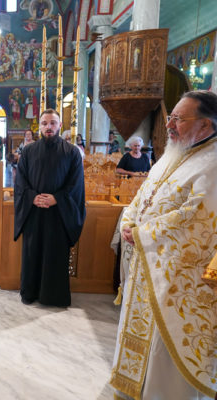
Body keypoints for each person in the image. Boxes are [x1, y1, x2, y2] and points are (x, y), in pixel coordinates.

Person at [112, 90, 217, 399]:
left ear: (205, 125)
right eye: (170, 117)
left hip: (175, 279)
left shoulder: (212, 164)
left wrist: (142, 233)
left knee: (163, 347)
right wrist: (128, 220)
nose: (169, 125)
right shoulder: (172, 154)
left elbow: (195, 216)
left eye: (178, 119)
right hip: (147, 265)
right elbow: (142, 196)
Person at [13, 109, 86, 307]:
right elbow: (20, 181)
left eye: (53, 123)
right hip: (34, 212)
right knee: (32, 253)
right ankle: (30, 293)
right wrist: (32, 197)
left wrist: (57, 199)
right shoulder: (28, 151)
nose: (49, 127)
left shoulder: (72, 152)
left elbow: (76, 184)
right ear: (40, 126)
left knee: (55, 254)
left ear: (60, 125)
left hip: (59, 214)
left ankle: (53, 297)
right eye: (44, 123)